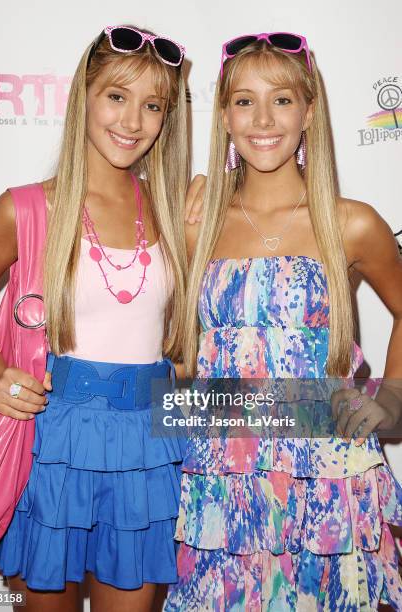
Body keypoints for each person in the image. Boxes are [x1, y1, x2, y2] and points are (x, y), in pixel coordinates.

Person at [166, 32, 402, 610]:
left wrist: (391, 397)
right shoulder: (195, 223)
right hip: (222, 475)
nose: (263, 119)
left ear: (310, 111)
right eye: (244, 101)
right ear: (223, 115)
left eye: (283, 99)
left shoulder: (352, 223)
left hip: (328, 473)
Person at [0, 24, 189, 612]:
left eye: (152, 105)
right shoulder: (25, 208)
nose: (132, 121)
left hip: (148, 442)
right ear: (82, 97)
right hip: (50, 443)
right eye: (117, 96)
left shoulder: (174, 214)